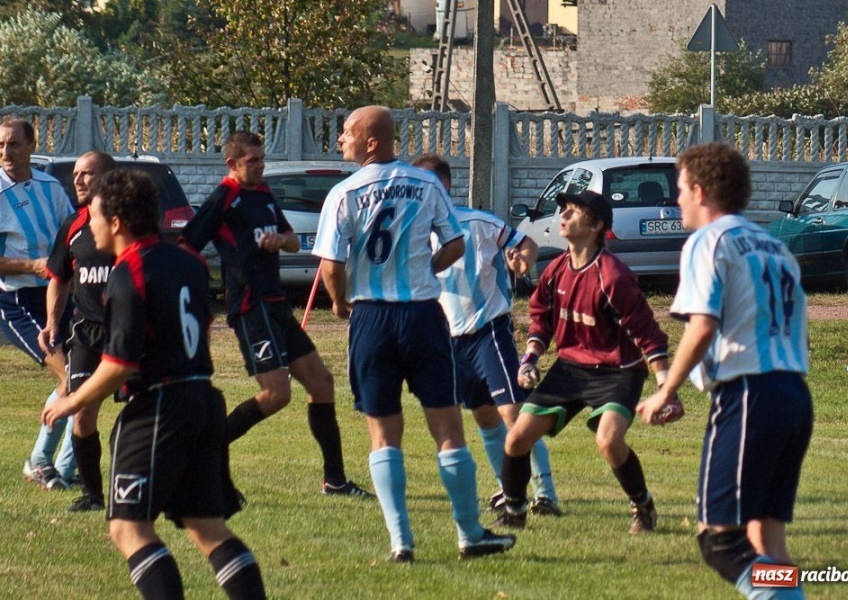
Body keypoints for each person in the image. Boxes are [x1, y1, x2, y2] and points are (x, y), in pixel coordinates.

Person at [42, 169, 266, 599]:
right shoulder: (189, 260)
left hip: (160, 406)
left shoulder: (129, 271)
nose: (90, 225)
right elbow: (202, 320)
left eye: (94, 217)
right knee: (207, 527)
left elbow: (120, 365)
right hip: (203, 398)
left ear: (117, 222)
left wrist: (71, 402)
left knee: (129, 529)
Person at [313, 106, 516, 563]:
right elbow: (456, 243)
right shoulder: (426, 184)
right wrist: (426, 269)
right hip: (423, 316)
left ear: (371, 142)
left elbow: (330, 263)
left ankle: (400, 541)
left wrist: (340, 301)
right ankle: (469, 534)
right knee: (447, 429)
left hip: (371, 322)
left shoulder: (344, 193)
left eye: (347, 132)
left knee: (383, 434)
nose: (340, 139)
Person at [636, 142, 812, 599]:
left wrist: (665, 390)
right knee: (765, 538)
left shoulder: (709, 241)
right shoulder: (775, 247)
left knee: (720, 540)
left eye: (679, 190)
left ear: (699, 190)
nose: (676, 201)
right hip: (793, 394)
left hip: (749, 394)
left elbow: (703, 325)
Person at [181, 131, 371, 498]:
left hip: (276, 305)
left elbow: (293, 239)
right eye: (252, 161)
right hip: (250, 308)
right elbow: (188, 244)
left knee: (321, 384)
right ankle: (202, 457)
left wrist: (279, 241)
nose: (259, 166)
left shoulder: (264, 194)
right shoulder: (225, 197)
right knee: (275, 395)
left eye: (261, 160)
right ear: (232, 164)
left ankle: (335, 480)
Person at [491, 189, 683, 534]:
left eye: (573, 211)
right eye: (562, 210)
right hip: (570, 369)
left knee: (609, 441)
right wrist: (530, 359)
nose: (562, 216)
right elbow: (541, 321)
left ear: (595, 225)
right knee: (516, 438)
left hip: (618, 371)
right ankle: (515, 509)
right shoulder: (555, 271)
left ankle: (643, 505)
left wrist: (666, 389)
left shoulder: (613, 276)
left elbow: (648, 335)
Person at [411, 153, 560, 516]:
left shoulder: (475, 222)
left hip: (487, 331)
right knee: (484, 418)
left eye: (423, 185)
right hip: (448, 341)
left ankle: (545, 494)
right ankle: (507, 489)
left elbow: (525, 243)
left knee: (514, 413)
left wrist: (522, 260)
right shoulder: (413, 234)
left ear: (443, 186)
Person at [0, 117, 77, 490]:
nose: (6, 152)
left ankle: (64, 468)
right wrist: (33, 264)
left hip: (60, 294)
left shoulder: (51, 186)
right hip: (16, 299)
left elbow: (72, 236)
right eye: (1, 146)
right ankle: (40, 460)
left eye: (13, 144)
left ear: (31, 145)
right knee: (70, 375)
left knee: (88, 374)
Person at [38, 151, 117, 511]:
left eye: (87, 173)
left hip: (128, 330)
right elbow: (59, 279)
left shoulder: (127, 222)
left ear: (107, 177)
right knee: (83, 411)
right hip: (86, 332)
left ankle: (145, 481)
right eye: (76, 174)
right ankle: (93, 495)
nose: (79, 180)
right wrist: (53, 322)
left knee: (143, 412)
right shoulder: (72, 225)